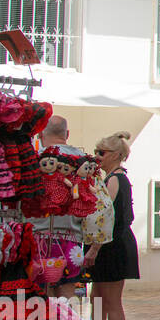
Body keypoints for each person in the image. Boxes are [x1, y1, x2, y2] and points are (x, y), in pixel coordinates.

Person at [84, 131, 137, 320]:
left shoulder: (115, 179)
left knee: (112, 301)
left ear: (116, 155)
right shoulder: (111, 178)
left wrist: (94, 249)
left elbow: (105, 218)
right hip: (109, 244)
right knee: (97, 298)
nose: (97, 157)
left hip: (113, 245)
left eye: (101, 152)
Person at [34, 115, 96, 299]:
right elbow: (99, 206)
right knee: (67, 296)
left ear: (40, 135)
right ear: (67, 134)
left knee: (42, 298)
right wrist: (95, 247)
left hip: (38, 238)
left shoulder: (36, 161)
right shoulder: (84, 162)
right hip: (72, 239)